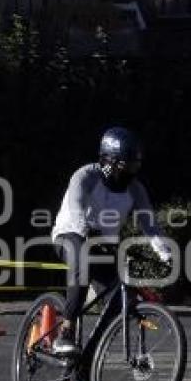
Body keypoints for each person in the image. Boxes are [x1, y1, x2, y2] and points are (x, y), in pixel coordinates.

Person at [50, 127, 172, 356]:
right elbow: (76, 208)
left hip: (104, 242)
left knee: (120, 296)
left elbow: (149, 224)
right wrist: (84, 230)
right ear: (109, 161)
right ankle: (65, 332)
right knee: (83, 267)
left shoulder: (135, 189)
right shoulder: (85, 176)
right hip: (70, 233)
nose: (130, 173)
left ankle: (90, 357)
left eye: (135, 166)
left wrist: (162, 250)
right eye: (126, 166)